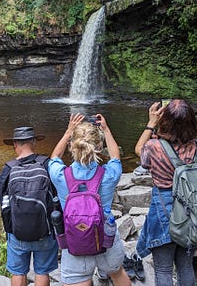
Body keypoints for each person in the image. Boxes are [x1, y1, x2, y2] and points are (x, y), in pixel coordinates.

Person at [48, 113, 131, 286]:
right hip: (105, 239)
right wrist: (106, 130)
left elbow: (54, 158)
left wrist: (67, 132)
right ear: (99, 146)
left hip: (74, 240)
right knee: (118, 274)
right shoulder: (109, 175)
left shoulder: (60, 176)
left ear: (72, 146)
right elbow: (116, 158)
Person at [134, 99, 197, 286]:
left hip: (163, 211)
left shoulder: (154, 147)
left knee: (163, 269)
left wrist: (151, 123)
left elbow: (138, 150)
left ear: (164, 121)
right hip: (192, 211)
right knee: (185, 266)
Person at [0, 126, 58, 286]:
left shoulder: (9, 168)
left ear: (15, 144)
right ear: (34, 142)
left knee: (18, 272)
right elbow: (57, 196)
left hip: (17, 232)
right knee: (42, 272)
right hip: (45, 231)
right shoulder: (46, 164)